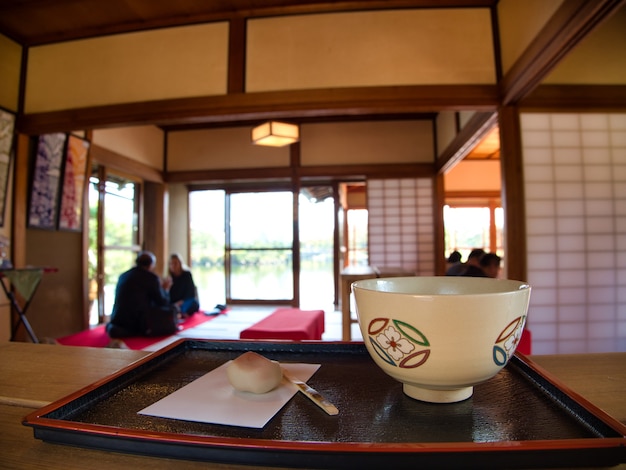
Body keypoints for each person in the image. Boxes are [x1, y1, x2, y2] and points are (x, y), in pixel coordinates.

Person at [106, 251, 173, 338]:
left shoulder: (123, 275)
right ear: (151, 265)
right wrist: (165, 289)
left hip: (117, 320)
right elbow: (162, 302)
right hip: (136, 324)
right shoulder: (151, 278)